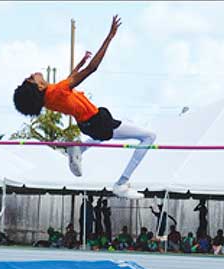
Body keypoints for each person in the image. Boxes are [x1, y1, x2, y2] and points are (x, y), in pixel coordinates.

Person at [11, 15, 151, 198]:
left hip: (89, 126)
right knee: (149, 136)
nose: (33, 74)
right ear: (38, 86)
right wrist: (109, 38)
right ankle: (122, 183)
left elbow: (68, 85)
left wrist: (78, 65)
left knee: (122, 127)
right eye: (31, 78)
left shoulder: (49, 97)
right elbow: (92, 69)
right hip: (98, 123)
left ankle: (79, 149)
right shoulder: (57, 90)